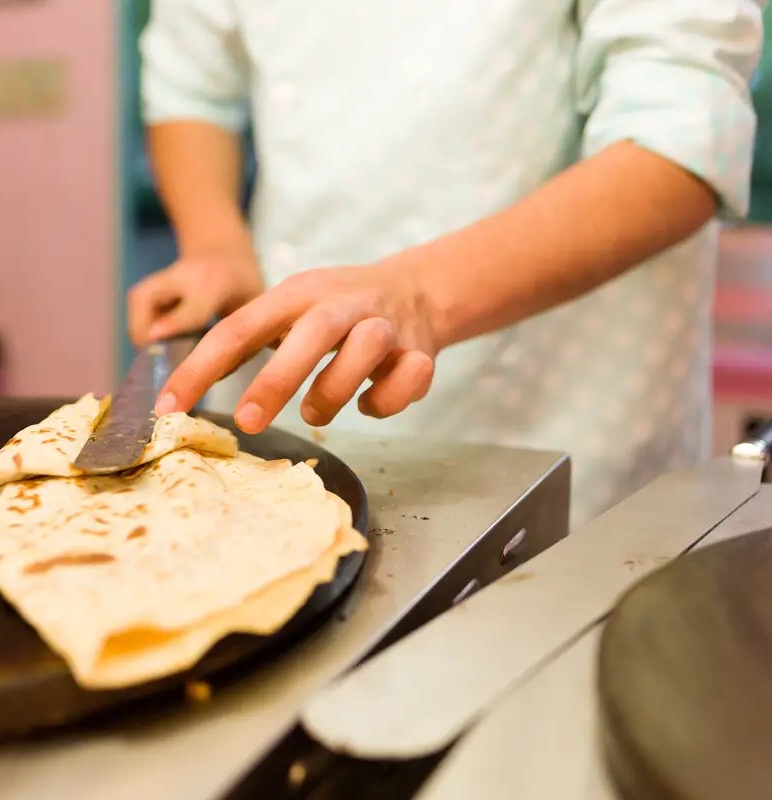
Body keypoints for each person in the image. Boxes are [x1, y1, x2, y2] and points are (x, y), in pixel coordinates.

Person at [129, 0, 765, 524]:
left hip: (559, 418)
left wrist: (414, 298)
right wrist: (217, 244)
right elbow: (191, 87)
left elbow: (683, 137)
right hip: (284, 406)